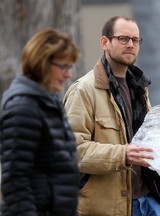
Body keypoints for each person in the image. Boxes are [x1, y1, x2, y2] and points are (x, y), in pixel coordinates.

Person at [63, 16, 160, 216]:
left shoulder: (138, 87)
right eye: (123, 39)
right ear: (105, 42)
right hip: (109, 207)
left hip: (149, 198)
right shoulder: (84, 90)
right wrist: (122, 154)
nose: (130, 45)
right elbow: (72, 151)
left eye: (135, 40)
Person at [0, 28, 81, 216]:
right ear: (41, 63)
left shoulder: (48, 103)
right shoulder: (23, 108)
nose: (68, 74)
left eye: (70, 67)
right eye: (63, 67)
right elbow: (15, 182)